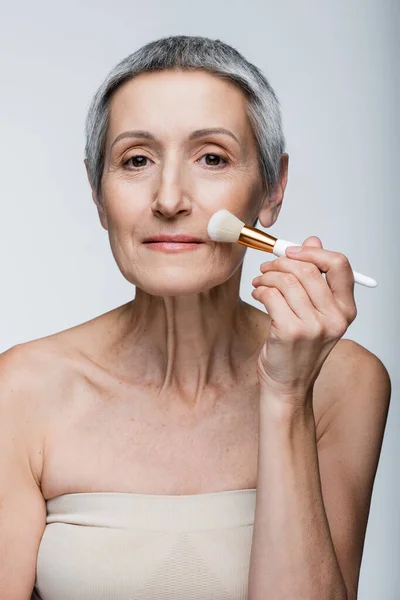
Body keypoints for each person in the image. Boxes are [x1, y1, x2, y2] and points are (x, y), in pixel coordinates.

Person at [0, 35, 391, 600]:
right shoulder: (20, 389)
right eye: (136, 160)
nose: (169, 198)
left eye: (212, 158)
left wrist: (285, 396)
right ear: (96, 191)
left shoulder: (344, 382)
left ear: (272, 189)